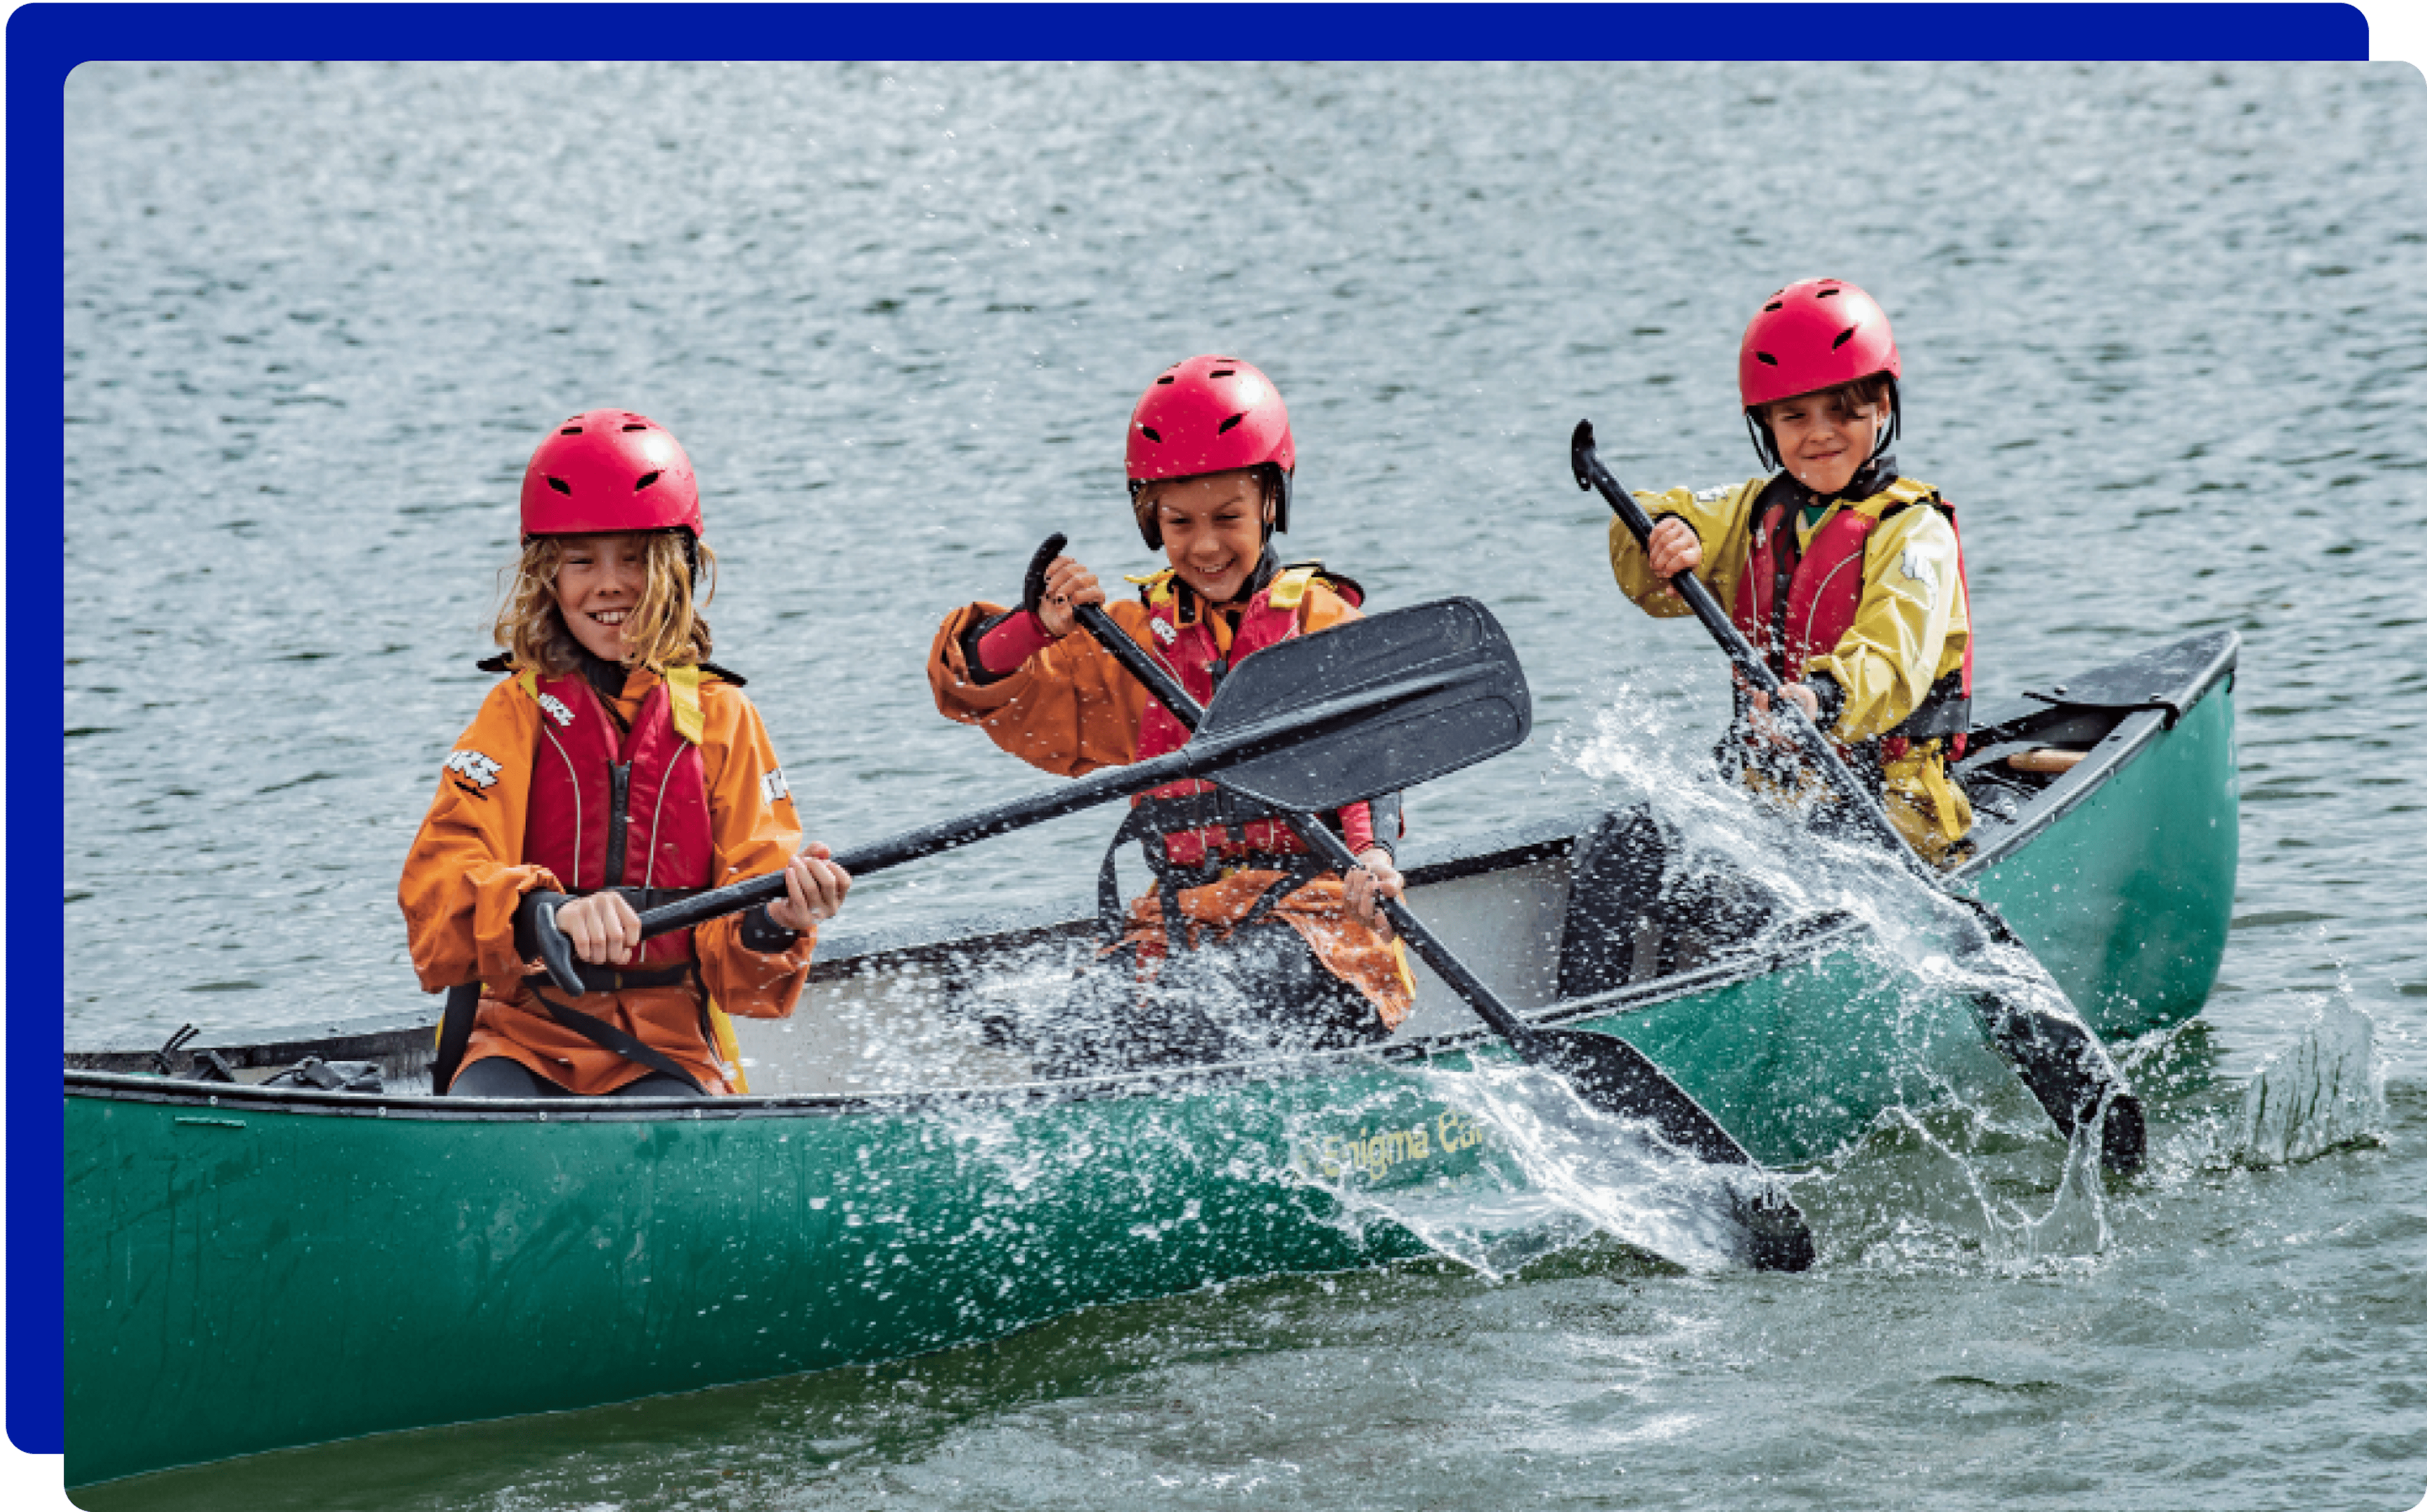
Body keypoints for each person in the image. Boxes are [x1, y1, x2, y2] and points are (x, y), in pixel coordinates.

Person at [927, 355, 1413, 1070]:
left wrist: (1373, 857)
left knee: (1200, 1002)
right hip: (1179, 922)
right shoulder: (1132, 644)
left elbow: (1372, 760)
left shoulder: (1321, 623)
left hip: (1320, 926)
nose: (1206, 545)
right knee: (1056, 1028)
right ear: (1149, 519)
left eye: (1228, 517)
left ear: (1271, 503)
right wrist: (1033, 627)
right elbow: (973, 681)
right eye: (1180, 522)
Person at [398, 409, 850, 1098]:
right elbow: (438, 888)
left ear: (678, 568)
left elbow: (746, 978)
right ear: (547, 577)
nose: (609, 583)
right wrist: (541, 911)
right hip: (521, 1036)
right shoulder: (515, 713)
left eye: (635, 557)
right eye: (582, 560)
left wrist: (776, 920)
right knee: (484, 1119)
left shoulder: (724, 720)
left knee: (672, 1134)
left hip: (667, 1047)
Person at [1605, 278, 1976, 861]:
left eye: (1842, 410)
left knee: (1769, 878)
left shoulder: (1914, 532)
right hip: (1770, 800)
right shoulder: (1752, 513)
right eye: (1795, 416)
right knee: (1619, 844)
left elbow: (1893, 654)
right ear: (1767, 425)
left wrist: (1820, 698)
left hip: (1893, 815)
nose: (1820, 432)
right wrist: (1666, 533)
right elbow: (1649, 524)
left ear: (1882, 404)